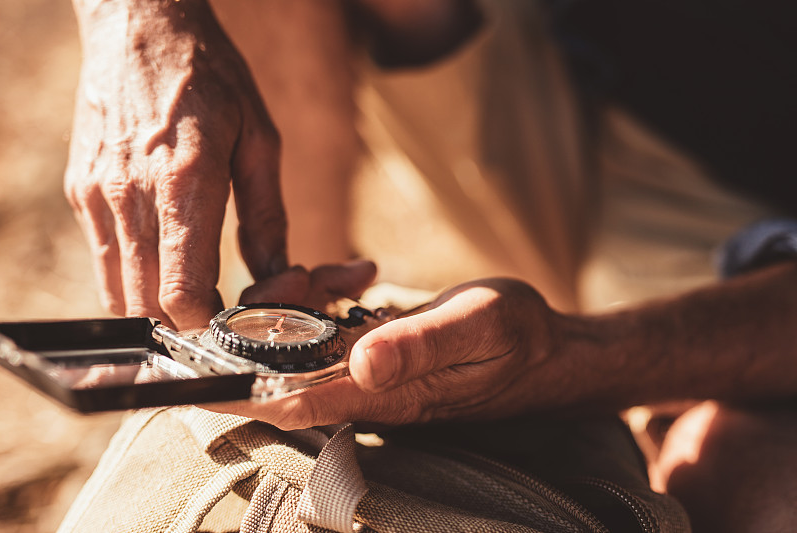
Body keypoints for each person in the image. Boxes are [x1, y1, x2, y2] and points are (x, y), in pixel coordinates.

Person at [63, 0, 797, 531]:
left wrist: (577, 355)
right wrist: (132, 18)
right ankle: (294, 358)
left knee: (762, 495)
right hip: (569, 67)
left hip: (750, 256)